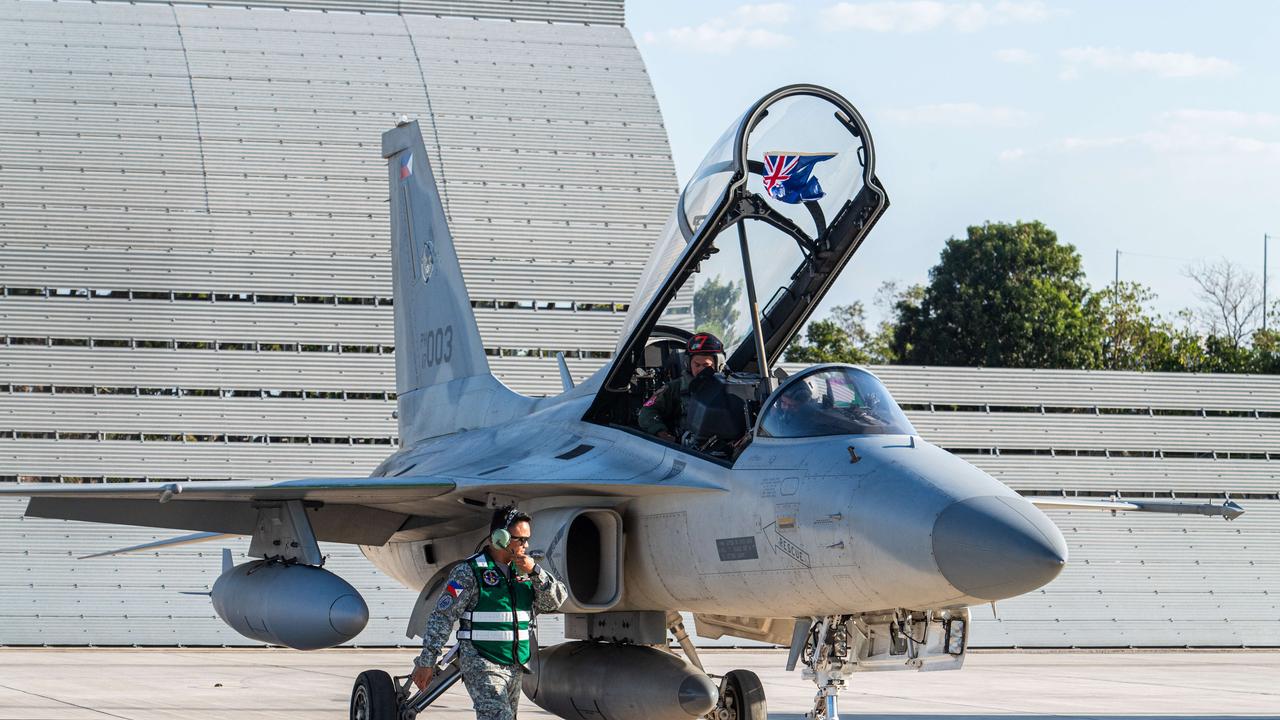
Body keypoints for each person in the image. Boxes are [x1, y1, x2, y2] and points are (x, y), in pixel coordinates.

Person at [411, 506, 568, 720]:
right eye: (520, 539)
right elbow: (442, 617)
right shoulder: (470, 571)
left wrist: (536, 572)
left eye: (527, 539)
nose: (526, 545)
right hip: (482, 661)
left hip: (516, 663)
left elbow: (555, 601)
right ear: (500, 538)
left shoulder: (525, 572)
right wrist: (427, 661)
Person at [638, 332, 724, 441]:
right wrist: (662, 433)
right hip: (689, 449)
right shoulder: (676, 387)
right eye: (697, 365)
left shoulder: (729, 387)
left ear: (718, 364)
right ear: (688, 363)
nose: (701, 369)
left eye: (706, 365)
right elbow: (647, 412)